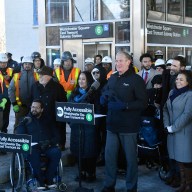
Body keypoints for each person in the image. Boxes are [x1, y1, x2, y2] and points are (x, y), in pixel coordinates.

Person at [100, 51, 148, 192]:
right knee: (110, 158)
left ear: (128, 62)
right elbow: (105, 92)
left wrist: (125, 106)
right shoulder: (113, 78)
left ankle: (131, 188)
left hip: (128, 127)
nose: (118, 63)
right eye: (116, 61)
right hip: (112, 125)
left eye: (121, 61)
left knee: (131, 160)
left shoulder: (136, 80)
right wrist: (103, 98)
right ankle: (109, 185)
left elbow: (143, 103)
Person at [16, 99, 61, 189]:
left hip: (47, 146)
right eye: (33, 107)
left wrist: (49, 142)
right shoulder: (25, 120)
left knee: (56, 152)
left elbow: (57, 136)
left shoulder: (48, 120)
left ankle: (49, 178)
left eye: (37, 107)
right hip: (33, 148)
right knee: (33, 154)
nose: (34, 109)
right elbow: (20, 135)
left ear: (42, 109)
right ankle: (40, 181)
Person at [163, 70, 192, 192]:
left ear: (188, 82)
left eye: (181, 79)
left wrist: (173, 127)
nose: (178, 81)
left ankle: (189, 185)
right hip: (172, 132)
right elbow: (165, 109)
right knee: (177, 159)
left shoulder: (190, 95)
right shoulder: (172, 92)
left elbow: (187, 115)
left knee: (185, 160)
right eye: (177, 79)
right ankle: (183, 183)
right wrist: (167, 125)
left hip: (184, 133)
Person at [161, 55, 186, 187]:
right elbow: (165, 103)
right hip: (167, 121)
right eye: (171, 65)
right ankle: (173, 174)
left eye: (175, 66)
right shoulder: (167, 76)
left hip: (180, 125)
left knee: (180, 153)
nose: (171, 67)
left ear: (182, 68)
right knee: (169, 149)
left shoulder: (185, 83)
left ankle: (181, 180)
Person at [69, 71, 99, 182]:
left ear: (89, 81)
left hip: (89, 128)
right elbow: (68, 109)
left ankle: (91, 173)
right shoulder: (74, 93)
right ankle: (81, 172)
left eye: (84, 79)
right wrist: (71, 123)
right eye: (79, 79)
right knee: (78, 151)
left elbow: (98, 109)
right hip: (76, 128)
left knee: (89, 151)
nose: (81, 81)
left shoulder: (94, 93)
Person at [31, 66, 67, 150]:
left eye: (42, 75)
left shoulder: (58, 87)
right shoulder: (34, 86)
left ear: (50, 77)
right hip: (39, 120)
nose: (40, 76)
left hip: (54, 121)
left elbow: (63, 106)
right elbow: (31, 101)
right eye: (39, 74)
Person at [8, 56, 37, 128]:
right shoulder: (16, 76)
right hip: (20, 106)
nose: (27, 65)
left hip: (33, 107)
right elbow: (11, 90)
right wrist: (14, 103)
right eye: (25, 64)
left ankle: (31, 139)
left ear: (32, 65)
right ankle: (17, 139)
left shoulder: (37, 76)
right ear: (22, 65)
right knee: (18, 125)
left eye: (29, 64)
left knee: (32, 126)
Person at [0, 53, 13, 134]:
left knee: (5, 114)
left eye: (4, 62)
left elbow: (14, 82)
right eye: (1, 62)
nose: (3, 64)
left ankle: (4, 130)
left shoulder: (11, 70)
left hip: (7, 97)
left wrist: (9, 78)